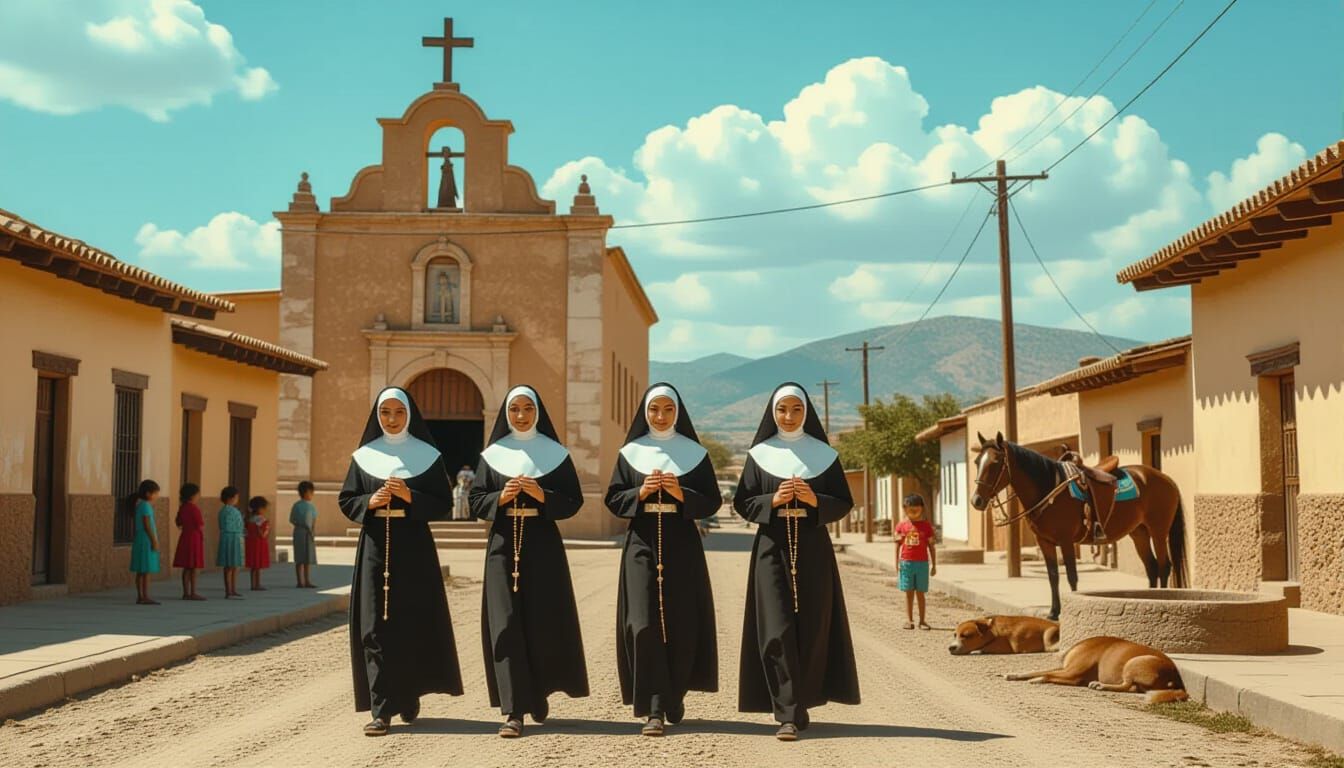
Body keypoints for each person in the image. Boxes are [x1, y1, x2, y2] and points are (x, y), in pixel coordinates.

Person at [733, 383, 860, 741]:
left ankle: (802, 700)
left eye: (796, 410)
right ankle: (786, 711)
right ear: (772, 413)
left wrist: (814, 499)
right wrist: (773, 500)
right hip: (771, 547)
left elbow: (843, 502)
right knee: (776, 628)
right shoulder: (759, 455)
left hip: (813, 546)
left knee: (813, 627)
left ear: (807, 412)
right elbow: (743, 503)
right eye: (782, 410)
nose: (788, 417)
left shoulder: (824, 456)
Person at [338, 387, 463, 736]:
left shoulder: (427, 456)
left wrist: (410, 496)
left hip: (414, 549)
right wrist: (371, 501)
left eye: (398, 413)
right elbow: (347, 501)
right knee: (374, 626)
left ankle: (408, 696)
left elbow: (442, 503)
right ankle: (381, 709)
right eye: (385, 413)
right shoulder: (364, 456)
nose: (391, 419)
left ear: (409, 415)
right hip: (375, 545)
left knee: (410, 623)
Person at [470, 385, 589, 738]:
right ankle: (513, 708)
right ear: (506, 414)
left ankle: (537, 693)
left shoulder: (555, 454)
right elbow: (476, 501)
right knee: (504, 622)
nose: (520, 416)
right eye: (514, 410)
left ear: (537, 411)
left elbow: (573, 501)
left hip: (543, 545)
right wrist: (500, 497)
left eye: (527, 409)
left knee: (540, 622)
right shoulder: (492, 455)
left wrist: (542, 495)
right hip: (503, 543)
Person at [605, 383, 720, 736]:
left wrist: (679, 493)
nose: (660, 415)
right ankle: (654, 705)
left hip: (681, 539)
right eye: (654, 409)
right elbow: (613, 498)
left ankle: (675, 693)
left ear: (677, 413)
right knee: (642, 622)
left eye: (667, 410)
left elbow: (712, 500)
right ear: (645, 413)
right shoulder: (630, 453)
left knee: (681, 622)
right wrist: (639, 492)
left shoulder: (694, 454)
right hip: (641, 539)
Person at [895, 493, 937, 630]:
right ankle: (909, 620)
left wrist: (934, 565)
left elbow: (931, 546)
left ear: (922, 509)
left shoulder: (926, 527)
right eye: (910, 509)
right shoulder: (901, 526)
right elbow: (897, 545)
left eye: (916, 509)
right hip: (906, 563)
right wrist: (896, 563)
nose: (913, 512)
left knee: (920, 593)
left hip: (922, 564)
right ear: (905, 509)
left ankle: (923, 621)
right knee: (908, 593)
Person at [129, 479, 161, 605]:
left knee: (141, 570)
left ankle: (141, 595)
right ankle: (145, 595)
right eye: (156, 493)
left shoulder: (141, 505)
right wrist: (154, 540)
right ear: (148, 493)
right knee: (146, 570)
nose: (157, 496)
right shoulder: (146, 506)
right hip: (146, 539)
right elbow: (147, 524)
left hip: (141, 538)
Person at [172, 483, 206, 600]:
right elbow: (200, 525)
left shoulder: (182, 508)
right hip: (194, 538)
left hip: (185, 537)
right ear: (192, 496)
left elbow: (178, 522)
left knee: (186, 567)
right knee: (193, 567)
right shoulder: (194, 509)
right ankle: (193, 591)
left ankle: (186, 592)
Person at [216, 486, 245, 599]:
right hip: (232, 537)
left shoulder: (225, 510)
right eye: (236, 497)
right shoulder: (229, 510)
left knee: (234, 565)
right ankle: (229, 590)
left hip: (231, 537)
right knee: (230, 565)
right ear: (231, 498)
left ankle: (232, 589)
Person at [290, 481, 318, 588]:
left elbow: (292, 519)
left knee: (306, 557)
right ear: (305, 493)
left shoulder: (308, 506)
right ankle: (301, 581)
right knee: (301, 557)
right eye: (311, 492)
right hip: (303, 532)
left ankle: (305, 581)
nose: (312, 495)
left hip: (303, 532)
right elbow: (313, 520)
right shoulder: (302, 506)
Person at [245, 496, 272, 591]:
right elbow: (263, 535)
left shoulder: (249, 519)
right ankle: (257, 584)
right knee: (258, 566)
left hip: (251, 544)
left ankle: (253, 584)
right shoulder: (263, 520)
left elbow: (246, 532)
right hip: (259, 544)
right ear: (260, 508)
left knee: (253, 566)